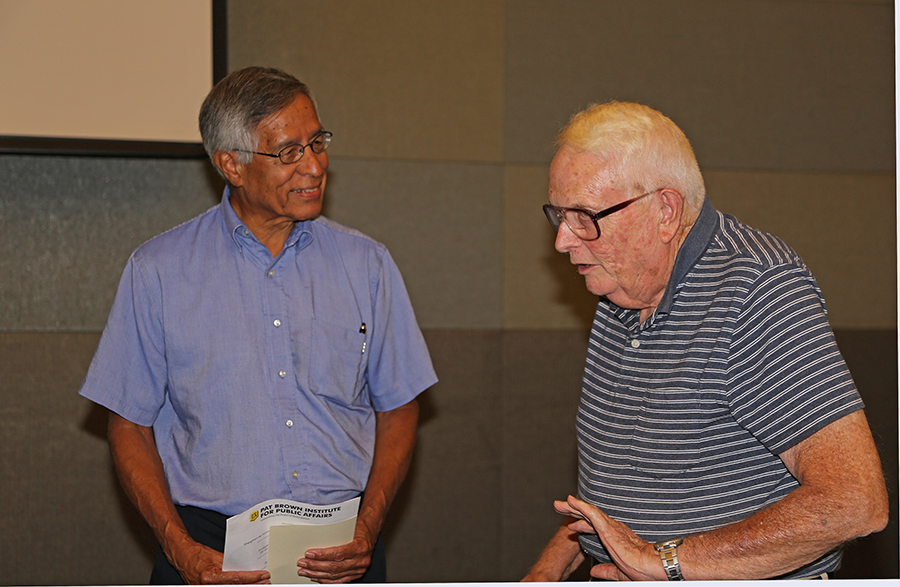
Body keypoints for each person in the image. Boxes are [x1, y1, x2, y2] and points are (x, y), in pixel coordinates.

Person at [79, 66, 437, 584]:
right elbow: (128, 424)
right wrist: (181, 550)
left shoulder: (368, 264)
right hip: (207, 553)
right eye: (290, 151)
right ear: (233, 165)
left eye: (318, 142)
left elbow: (399, 407)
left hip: (343, 550)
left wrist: (369, 528)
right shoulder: (158, 270)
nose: (315, 166)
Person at [523, 101, 888, 581]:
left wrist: (664, 563)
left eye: (585, 216)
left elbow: (855, 501)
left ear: (666, 212)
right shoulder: (621, 290)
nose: (564, 241)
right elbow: (619, 492)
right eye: (559, 214)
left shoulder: (757, 289)